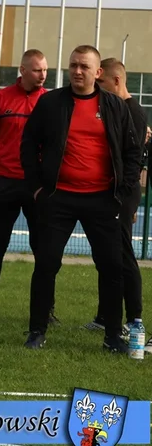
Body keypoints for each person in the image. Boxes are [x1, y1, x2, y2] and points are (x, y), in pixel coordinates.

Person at [20, 45, 140, 352]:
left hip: (102, 200)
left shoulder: (114, 106)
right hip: (58, 198)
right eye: (73, 65)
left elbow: (132, 152)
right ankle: (37, 331)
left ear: (98, 73)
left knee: (112, 267)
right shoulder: (51, 103)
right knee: (46, 264)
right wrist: (36, 187)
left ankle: (113, 336)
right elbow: (29, 144)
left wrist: (123, 191)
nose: (77, 71)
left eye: (85, 66)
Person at [0, 49, 48, 322]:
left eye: (45, 70)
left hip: (36, 186)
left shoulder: (49, 100)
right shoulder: (1, 98)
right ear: (23, 70)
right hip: (3, 184)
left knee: (43, 250)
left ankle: (46, 310)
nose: (42, 75)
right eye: (37, 70)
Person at [86, 57, 145, 332]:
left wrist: (126, 199)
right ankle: (104, 316)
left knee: (123, 255)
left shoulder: (131, 111)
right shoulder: (114, 109)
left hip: (123, 193)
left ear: (116, 81)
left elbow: (131, 160)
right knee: (107, 256)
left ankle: (134, 319)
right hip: (110, 192)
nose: (97, 88)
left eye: (101, 82)